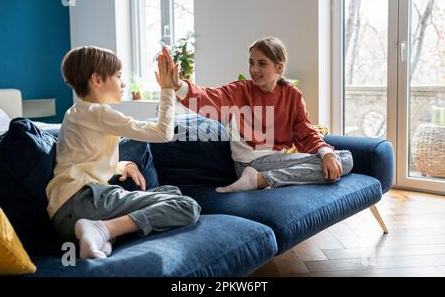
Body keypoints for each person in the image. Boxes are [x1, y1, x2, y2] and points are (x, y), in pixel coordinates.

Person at [46, 46, 201, 259]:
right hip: (85, 200)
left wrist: (123, 165)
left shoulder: (74, 113)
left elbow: (83, 158)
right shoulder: (99, 112)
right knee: (187, 206)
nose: (124, 83)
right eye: (118, 76)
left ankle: (101, 238)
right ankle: (103, 231)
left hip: (64, 216)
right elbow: (162, 133)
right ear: (97, 80)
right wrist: (166, 89)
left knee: (171, 192)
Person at [165, 37, 353, 192]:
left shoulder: (291, 95)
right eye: (252, 63)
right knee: (343, 159)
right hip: (248, 163)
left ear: (279, 68)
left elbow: (305, 131)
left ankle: (262, 180)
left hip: (276, 161)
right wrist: (178, 85)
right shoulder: (240, 90)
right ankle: (255, 179)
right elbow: (209, 97)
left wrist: (326, 152)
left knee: (343, 159)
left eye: (262, 64)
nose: (254, 70)